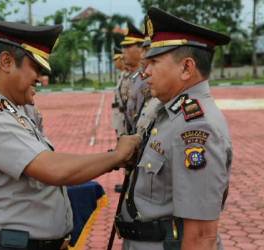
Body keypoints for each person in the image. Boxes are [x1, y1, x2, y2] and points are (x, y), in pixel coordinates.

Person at [0, 17, 141, 250]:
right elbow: (54, 170)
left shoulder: (16, 110)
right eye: (35, 67)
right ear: (6, 62)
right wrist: (117, 156)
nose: (40, 77)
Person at [115, 7, 232, 250]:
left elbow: (201, 235)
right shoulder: (168, 112)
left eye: (154, 62)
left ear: (186, 68)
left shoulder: (196, 126)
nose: (145, 72)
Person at [113, 23, 145, 137]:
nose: (123, 51)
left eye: (128, 46)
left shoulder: (145, 78)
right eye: (124, 47)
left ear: (141, 49)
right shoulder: (134, 77)